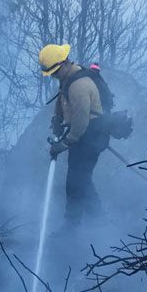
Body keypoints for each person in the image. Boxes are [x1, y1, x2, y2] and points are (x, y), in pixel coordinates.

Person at [38, 43, 111, 221]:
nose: (54, 76)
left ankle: (76, 225)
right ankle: (98, 220)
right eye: (51, 73)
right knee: (81, 180)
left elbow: (81, 119)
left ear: (64, 63)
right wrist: (58, 119)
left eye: (55, 72)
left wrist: (66, 142)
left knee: (76, 182)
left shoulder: (79, 85)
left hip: (90, 136)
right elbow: (62, 99)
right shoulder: (68, 78)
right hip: (85, 135)